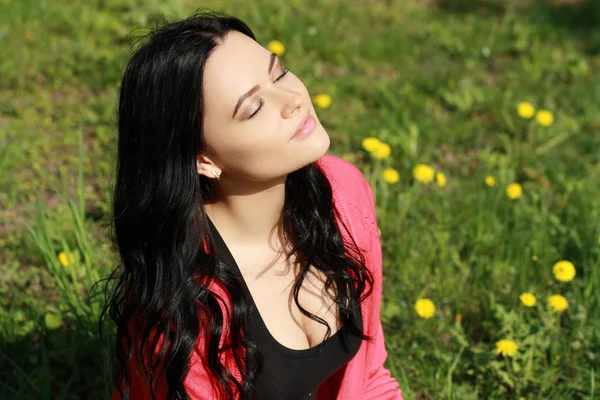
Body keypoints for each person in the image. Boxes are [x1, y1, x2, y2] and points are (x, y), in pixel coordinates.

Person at [102, 9, 403, 400]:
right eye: (254, 108)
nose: (292, 99)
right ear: (202, 160)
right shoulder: (185, 309)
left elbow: (369, 376)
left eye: (278, 73)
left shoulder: (345, 194)